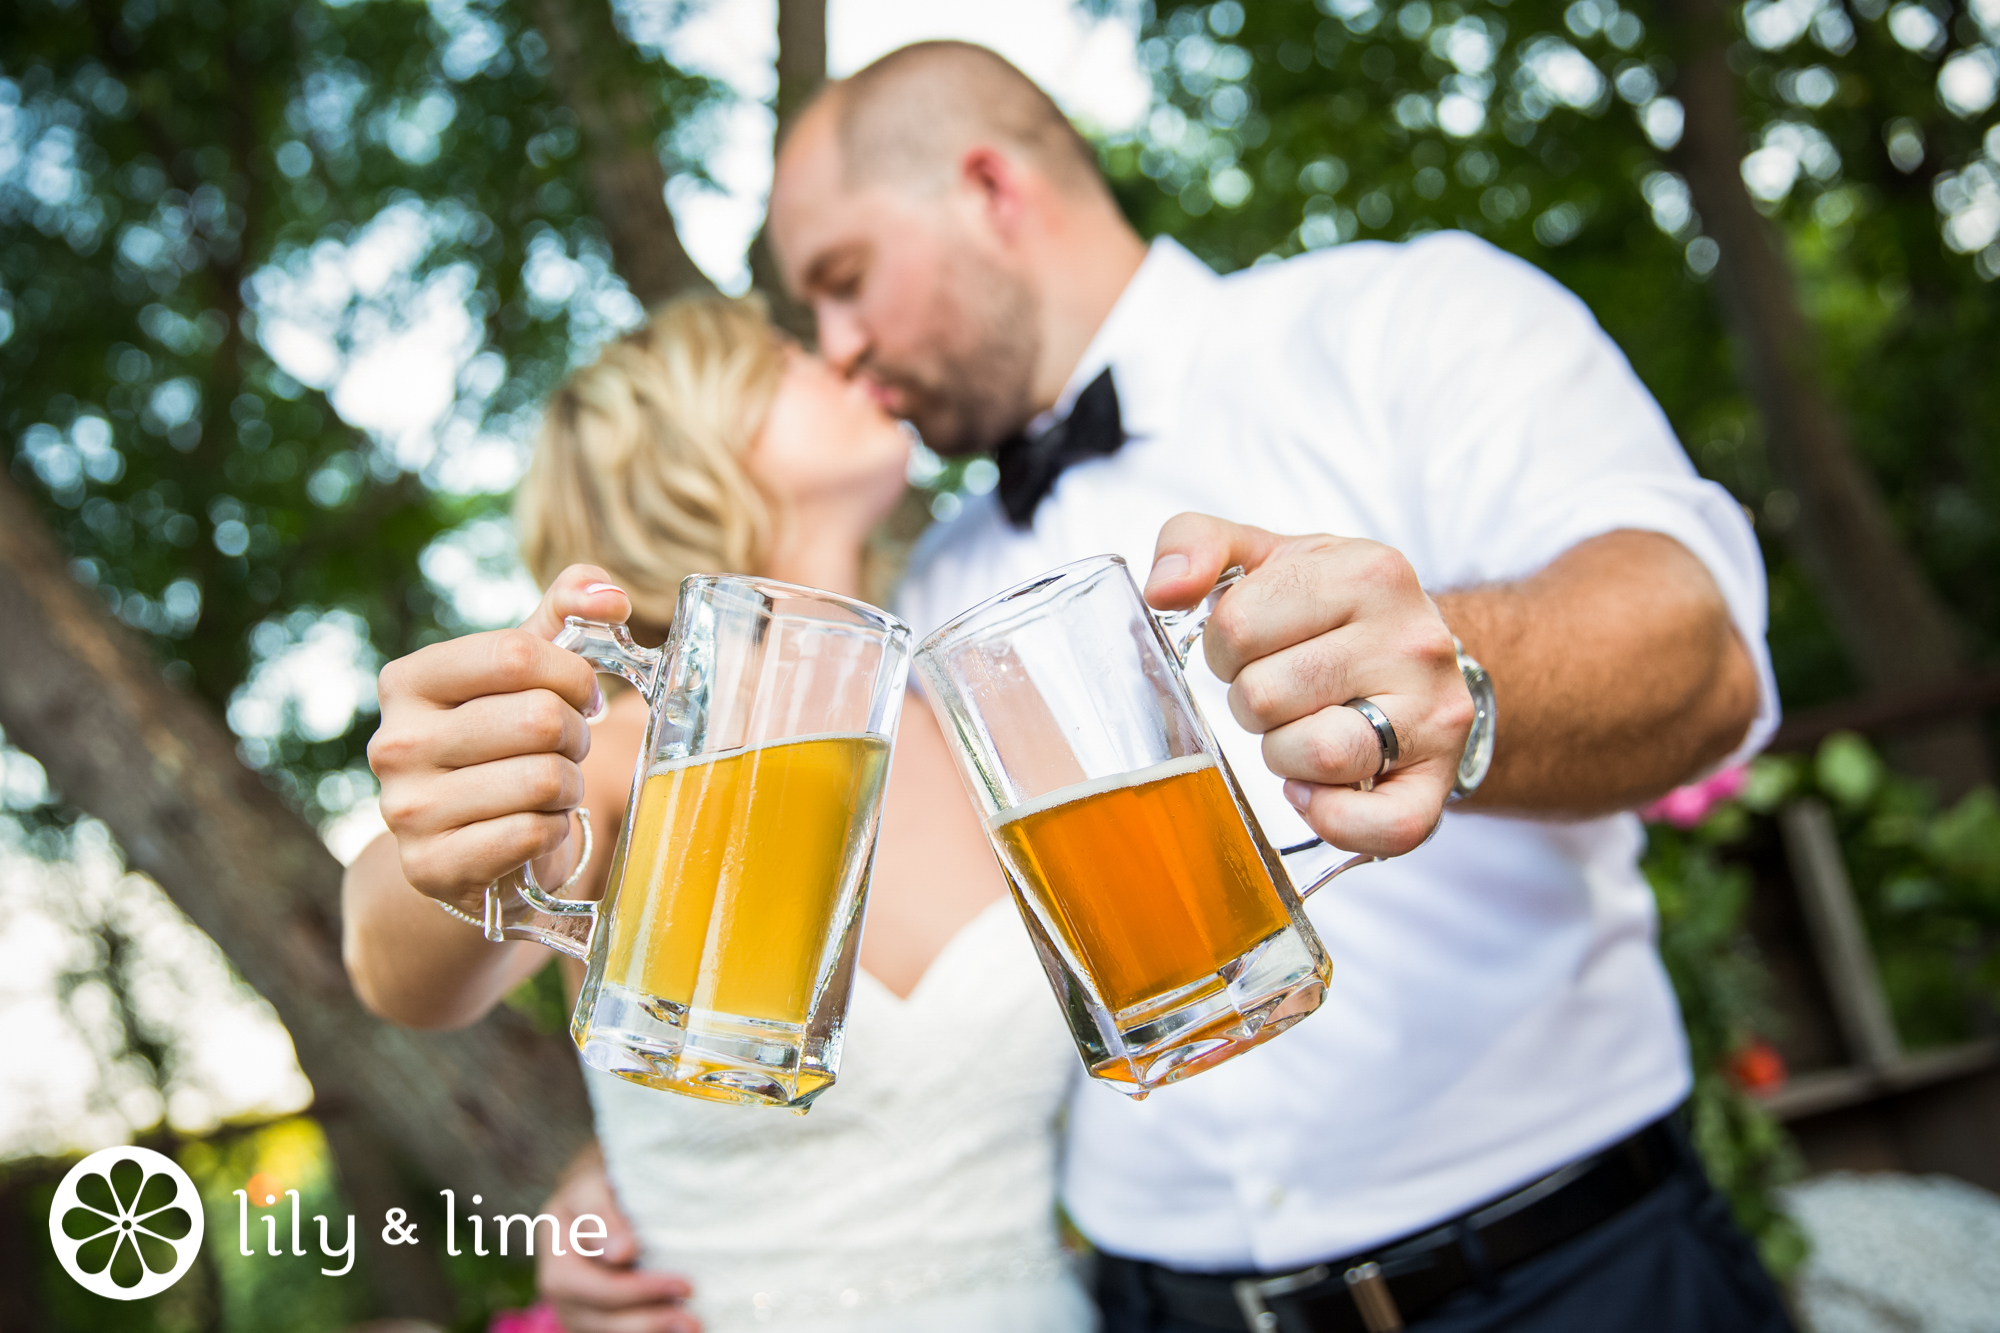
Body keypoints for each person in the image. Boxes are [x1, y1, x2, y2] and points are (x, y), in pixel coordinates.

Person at [746, 40, 1789, 1333]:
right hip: (1156, 1304)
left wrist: (1452, 673)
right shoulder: (930, 585)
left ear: (990, 191)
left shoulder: (1408, 320)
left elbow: (1702, 652)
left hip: (1576, 1274)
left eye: (843, 282)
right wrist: (637, 1188)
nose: (837, 348)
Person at [342, 295, 1099, 1333]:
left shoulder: (992, 736)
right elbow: (392, 966)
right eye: (789, 356)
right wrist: (447, 846)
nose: (845, 355)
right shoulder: (613, 753)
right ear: (687, 447)